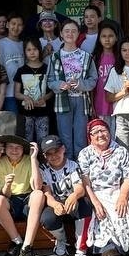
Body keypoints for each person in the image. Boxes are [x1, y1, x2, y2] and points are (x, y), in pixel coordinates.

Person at [79, 117, 129, 256]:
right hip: (97, 194)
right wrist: (95, 202)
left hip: (118, 190)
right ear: (90, 137)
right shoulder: (85, 153)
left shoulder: (120, 151)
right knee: (102, 218)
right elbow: (85, 180)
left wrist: (123, 196)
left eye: (104, 130)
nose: (100, 135)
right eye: (96, 132)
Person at [35, 134, 93, 256]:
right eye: (49, 153)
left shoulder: (72, 165)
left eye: (56, 151)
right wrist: (55, 204)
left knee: (85, 206)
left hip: (73, 202)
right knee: (47, 219)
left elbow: (79, 188)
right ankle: (61, 241)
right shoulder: (44, 169)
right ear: (44, 155)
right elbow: (47, 193)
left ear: (63, 149)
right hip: (56, 204)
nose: (54, 156)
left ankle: (81, 251)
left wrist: (74, 195)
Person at [0, 130, 42, 256]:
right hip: (10, 201)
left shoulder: (28, 159)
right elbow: (4, 195)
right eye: (11, 147)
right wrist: (7, 184)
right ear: (5, 148)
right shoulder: (0, 162)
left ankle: (27, 248)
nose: (14, 150)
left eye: (18, 147)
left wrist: (33, 159)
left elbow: (37, 186)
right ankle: (17, 241)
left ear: (23, 148)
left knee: (38, 194)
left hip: (27, 200)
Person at [47, 19, 95, 160]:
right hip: (62, 101)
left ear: (78, 33)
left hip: (81, 100)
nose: (70, 34)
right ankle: (67, 165)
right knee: (65, 136)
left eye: (74, 31)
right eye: (66, 31)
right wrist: (59, 85)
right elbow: (49, 80)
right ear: (61, 33)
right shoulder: (55, 57)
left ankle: (81, 166)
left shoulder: (86, 56)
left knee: (81, 136)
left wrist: (80, 84)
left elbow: (93, 80)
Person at [14, 38, 53, 144]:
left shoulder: (47, 68)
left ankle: (42, 160)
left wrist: (45, 98)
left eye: (35, 49)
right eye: (29, 50)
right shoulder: (21, 70)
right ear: (25, 52)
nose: (32, 52)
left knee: (43, 141)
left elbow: (52, 91)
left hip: (43, 113)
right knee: (27, 141)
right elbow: (16, 93)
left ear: (40, 50)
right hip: (26, 113)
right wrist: (26, 98)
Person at [90, 21, 122, 139]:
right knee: (103, 136)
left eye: (110, 36)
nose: (107, 39)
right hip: (100, 103)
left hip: (118, 104)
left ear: (116, 37)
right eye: (103, 36)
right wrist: (92, 106)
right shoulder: (95, 58)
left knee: (117, 136)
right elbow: (92, 85)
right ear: (99, 39)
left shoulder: (120, 57)